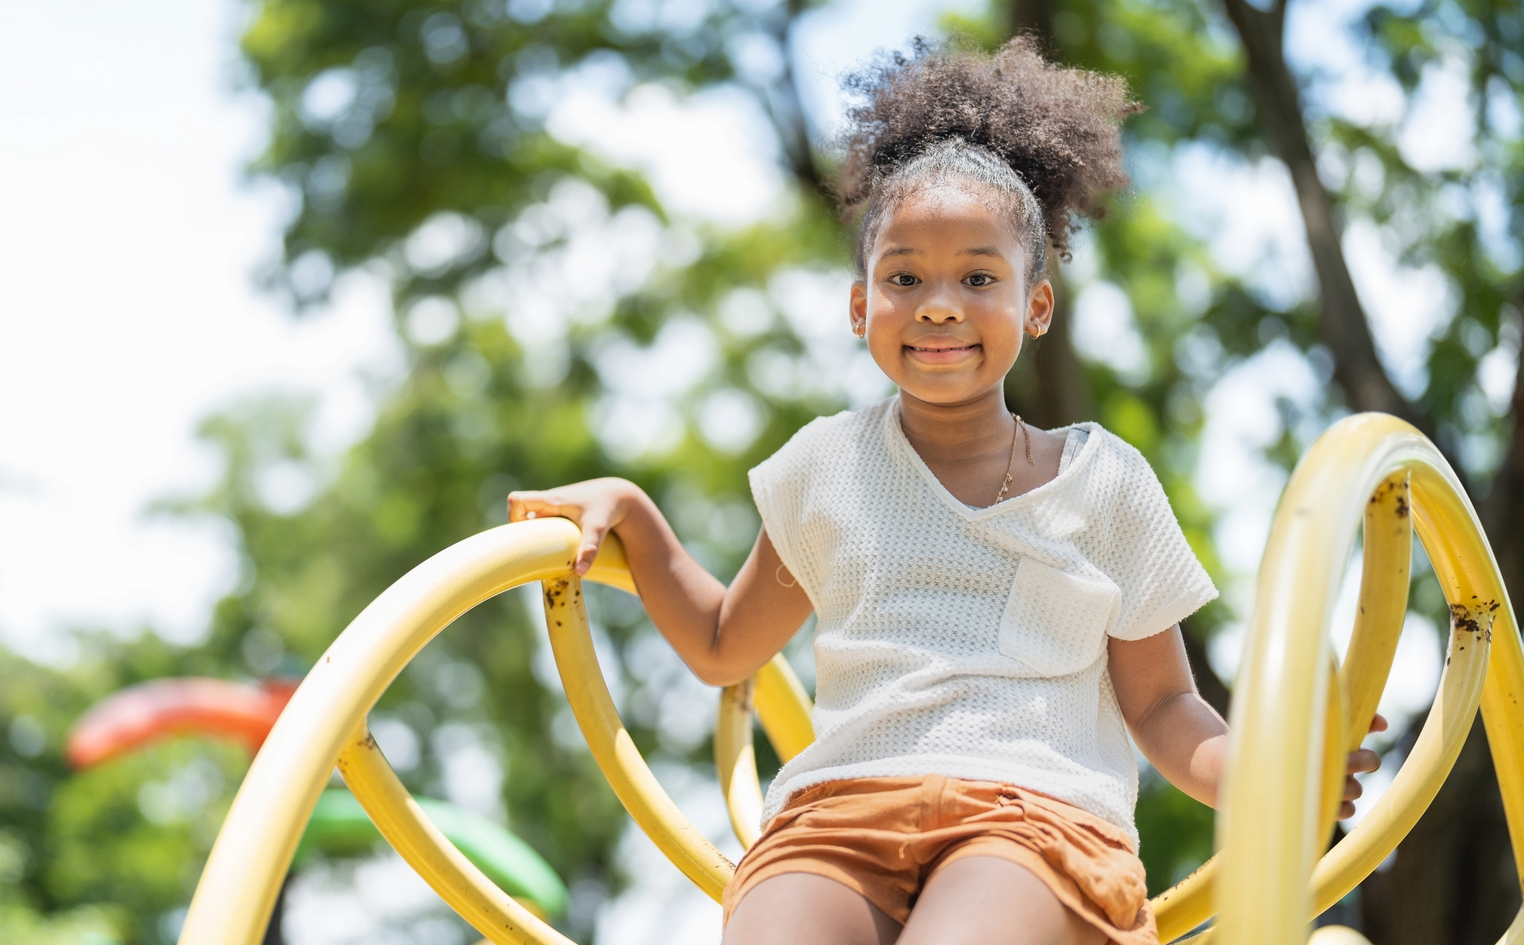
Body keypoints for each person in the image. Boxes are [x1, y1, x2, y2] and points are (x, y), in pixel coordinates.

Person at [507, 37, 1382, 945]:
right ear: (861, 308)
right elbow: (727, 643)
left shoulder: (1103, 482)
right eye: (904, 277)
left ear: (1034, 307)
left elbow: (1161, 705)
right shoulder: (826, 470)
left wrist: (1275, 771)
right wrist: (637, 516)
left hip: (1033, 820)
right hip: (837, 817)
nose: (937, 303)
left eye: (977, 276)